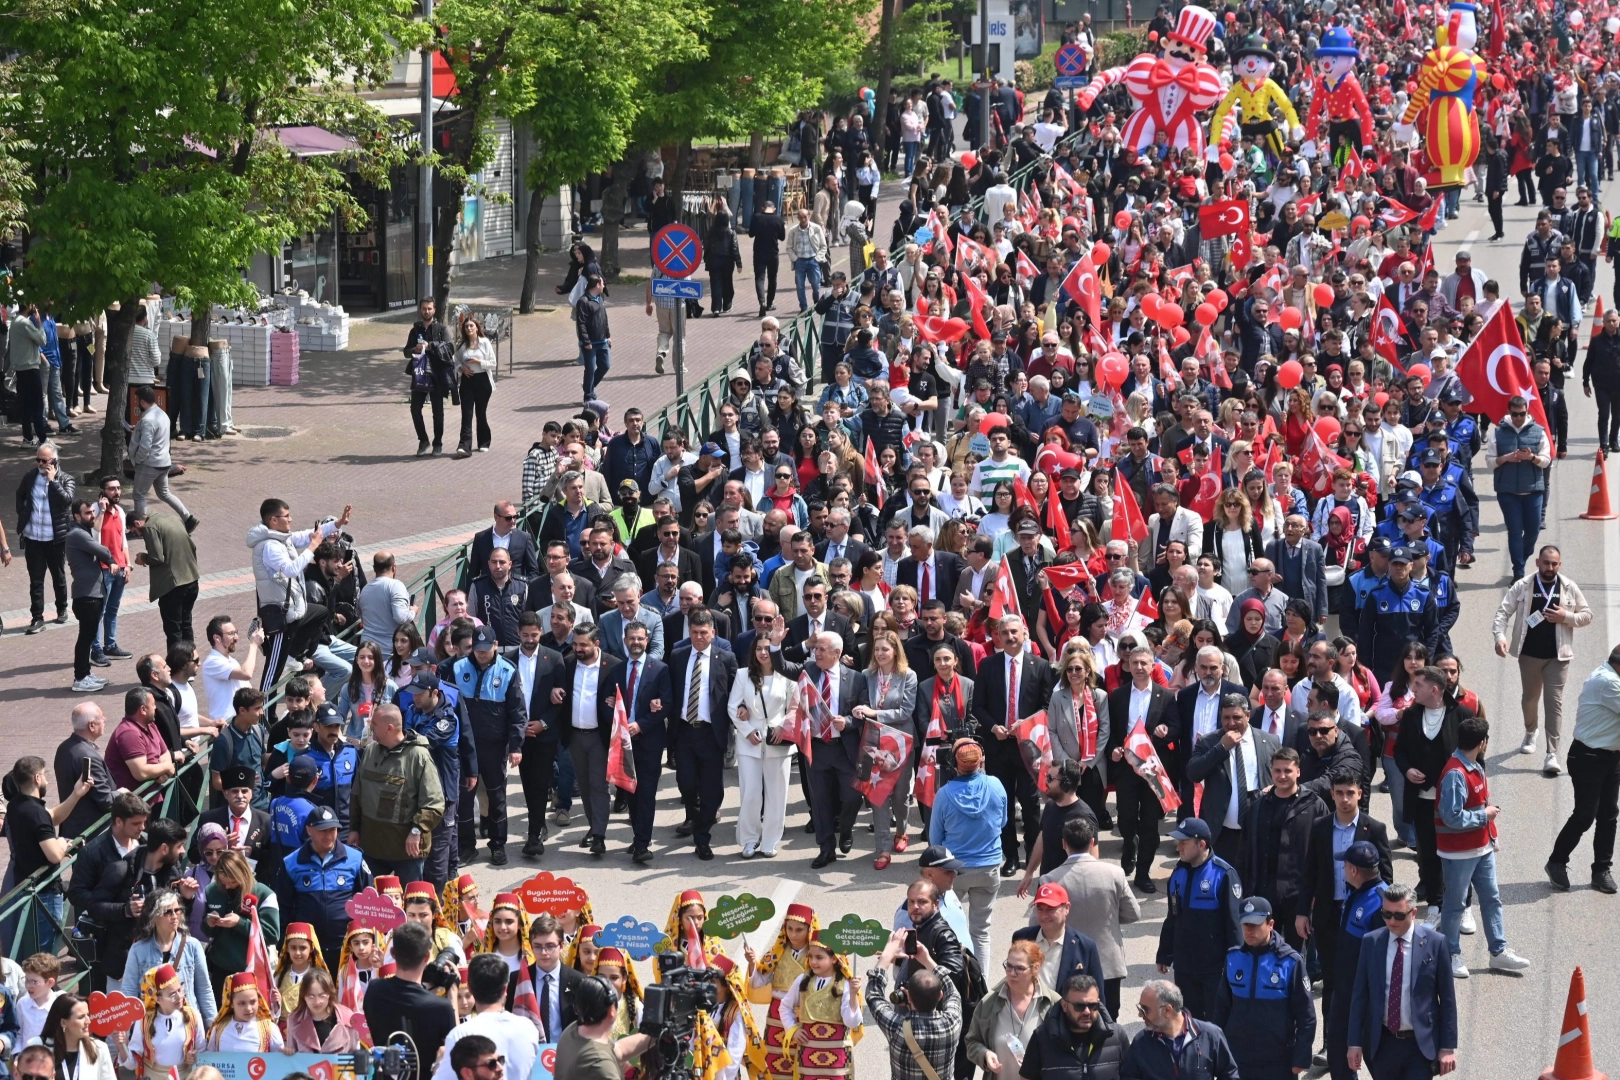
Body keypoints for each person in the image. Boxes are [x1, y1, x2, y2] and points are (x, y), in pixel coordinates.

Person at [1435, 716, 1531, 977]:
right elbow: (1451, 816)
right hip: (1458, 853)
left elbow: (1479, 803)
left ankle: (1498, 952)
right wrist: (1484, 817)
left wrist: (1491, 836)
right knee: (1455, 905)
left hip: (1481, 848)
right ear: (1482, 743)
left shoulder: (1474, 765)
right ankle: (1451, 953)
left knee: (1491, 899)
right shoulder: (1456, 773)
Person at [1492, 544, 1591, 775]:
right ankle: (1530, 730)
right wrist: (1500, 636)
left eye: (1554, 563)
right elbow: (1502, 612)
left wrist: (1565, 616)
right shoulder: (1523, 585)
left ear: (1560, 564)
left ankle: (1552, 753)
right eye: (1546, 563)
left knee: (1553, 703)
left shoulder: (1568, 587)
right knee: (1530, 699)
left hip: (1558, 657)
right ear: (1537, 562)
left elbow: (1587, 615)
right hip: (1529, 655)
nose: (1550, 567)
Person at [1346, 883, 1458, 1079]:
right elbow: (1359, 996)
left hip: (1419, 1045)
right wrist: (1354, 1042)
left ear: (1413, 913)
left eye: (1398, 915)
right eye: (1386, 914)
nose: (1391, 921)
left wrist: (1447, 1046)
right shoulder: (1371, 942)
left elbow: (1447, 1000)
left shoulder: (1435, 944)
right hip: (1383, 1044)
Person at [247, 498, 353, 694]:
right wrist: (312, 547)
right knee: (273, 672)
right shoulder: (270, 546)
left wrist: (336, 524)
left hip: (293, 609)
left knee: (319, 613)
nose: (291, 519)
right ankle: (265, 715)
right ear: (273, 520)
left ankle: (296, 654)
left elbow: (307, 536)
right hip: (280, 613)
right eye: (286, 516)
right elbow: (291, 569)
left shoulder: (281, 537)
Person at [1211, 896, 1315, 1080]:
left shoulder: (1290, 962)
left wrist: (1300, 1056)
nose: (1249, 930)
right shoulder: (1233, 958)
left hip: (1277, 1061)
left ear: (1271, 924)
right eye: (1245, 924)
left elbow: (1306, 1016)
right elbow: (1222, 1007)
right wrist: (1214, 1047)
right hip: (1237, 1057)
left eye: (1255, 924)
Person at [1238, 746, 1328, 952]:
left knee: (1297, 955)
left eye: (1287, 770)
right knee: (1263, 952)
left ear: (1298, 772)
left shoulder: (1315, 805)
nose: (1282, 775)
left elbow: (1324, 855)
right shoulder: (1258, 807)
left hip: (1299, 895)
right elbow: (1244, 852)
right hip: (1263, 893)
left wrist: (1317, 893)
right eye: (1277, 770)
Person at [667, 610, 741, 861]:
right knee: (686, 784)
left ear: (713, 633)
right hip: (684, 732)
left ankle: (702, 837)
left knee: (712, 791)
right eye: (694, 633)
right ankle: (697, 818)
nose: (698, 637)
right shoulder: (678, 656)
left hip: (712, 733)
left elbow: (736, 692)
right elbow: (672, 691)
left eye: (703, 633)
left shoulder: (727, 658)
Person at [1549, 644, 1620, 894]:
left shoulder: (1611, 675)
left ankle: (1601, 870)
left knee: (1609, 815)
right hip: (1588, 757)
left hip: (1611, 757)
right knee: (1585, 815)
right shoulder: (1608, 682)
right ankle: (1556, 861)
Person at [929, 737, 1007, 963]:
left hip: (954, 871)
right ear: (981, 760)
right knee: (981, 933)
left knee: (949, 930)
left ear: (954, 763)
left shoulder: (944, 794)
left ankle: (954, 982)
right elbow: (1002, 822)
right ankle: (980, 988)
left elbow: (935, 839)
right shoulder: (996, 784)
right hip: (989, 868)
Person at [1156, 818, 1242, 1021]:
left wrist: (1236, 965)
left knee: (1216, 1022)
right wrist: (1164, 953)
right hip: (1185, 966)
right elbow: (1172, 916)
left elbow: (1234, 926)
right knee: (1187, 1021)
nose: (1178, 847)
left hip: (1215, 968)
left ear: (1201, 844)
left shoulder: (1223, 874)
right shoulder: (1177, 874)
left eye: (1183, 842)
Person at [4, 756, 92, 952]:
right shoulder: (36, 813)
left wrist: (76, 795)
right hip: (45, 892)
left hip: (25, 886)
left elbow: (52, 817)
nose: (47, 780)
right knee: (45, 951)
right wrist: (62, 842)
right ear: (37, 778)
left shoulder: (17, 805)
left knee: (30, 948)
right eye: (44, 776)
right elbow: (54, 855)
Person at [349, 704, 445, 882]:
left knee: (411, 902)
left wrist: (416, 831)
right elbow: (357, 794)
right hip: (372, 847)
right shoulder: (370, 752)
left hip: (406, 851)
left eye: (374, 724)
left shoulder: (418, 756)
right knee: (371, 903)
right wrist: (354, 829)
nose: (370, 728)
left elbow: (434, 803)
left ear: (389, 728)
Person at [453, 626, 524, 866]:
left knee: (497, 797)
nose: (482, 654)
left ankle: (497, 845)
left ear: (496, 645)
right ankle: (466, 847)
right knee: (464, 798)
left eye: (486, 649)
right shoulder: (457, 668)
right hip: (464, 746)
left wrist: (516, 746)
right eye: (477, 649)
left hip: (494, 746)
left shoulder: (507, 670)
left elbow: (517, 711)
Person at [863, 928, 963, 1080]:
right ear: (940, 996)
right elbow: (953, 991)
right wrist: (927, 959)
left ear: (908, 995)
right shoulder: (952, 1022)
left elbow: (874, 995)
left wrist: (887, 955)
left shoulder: (896, 1027)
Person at [363, 921, 459, 1080]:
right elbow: (455, 1047)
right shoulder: (441, 1007)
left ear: (393, 954)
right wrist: (453, 991)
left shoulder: (374, 990)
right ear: (427, 956)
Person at [729, 633, 796, 859]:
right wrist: (747, 731)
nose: (763, 653)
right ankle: (749, 840)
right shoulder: (742, 675)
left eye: (768, 648)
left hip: (778, 741)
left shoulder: (786, 676)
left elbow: (795, 708)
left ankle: (770, 841)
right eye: (759, 648)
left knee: (777, 794)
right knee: (750, 794)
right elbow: (732, 707)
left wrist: (783, 727)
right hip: (750, 743)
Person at [557, 625, 621, 856]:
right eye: (575, 644)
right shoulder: (568, 663)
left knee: (598, 785)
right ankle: (594, 827)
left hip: (600, 737)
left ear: (597, 644)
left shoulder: (613, 665)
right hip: (574, 736)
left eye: (583, 644)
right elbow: (560, 690)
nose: (578, 649)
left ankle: (600, 836)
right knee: (584, 786)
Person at [432, 954, 539, 1080]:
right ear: (505, 989)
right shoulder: (528, 1027)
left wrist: (438, 1063)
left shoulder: (460, 1034)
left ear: (470, 989)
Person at [118, 888, 216, 1024]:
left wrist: (212, 1029)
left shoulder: (193, 946)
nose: (175, 916)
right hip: (152, 1027)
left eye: (177, 910)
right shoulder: (138, 950)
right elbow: (129, 993)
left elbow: (204, 990)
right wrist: (130, 1030)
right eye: (168, 912)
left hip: (187, 1024)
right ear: (154, 916)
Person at [966, 938, 1057, 1079]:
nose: (1012, 973)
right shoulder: (988, 1003)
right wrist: (984, 1054)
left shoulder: (1053, 1003)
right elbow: (971, 1042)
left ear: (1035, 968)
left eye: (1020, 968)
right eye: (1009, 966)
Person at [1486, 394, 1551, 581]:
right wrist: (1506, 458)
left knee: (1533, 531)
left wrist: (1531, 458)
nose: (1518, 418)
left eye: (1522, 414)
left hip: (1533, 490)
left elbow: (1546, 461)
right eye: (1515, 414)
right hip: (1507, 492)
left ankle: (1521, 558)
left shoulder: (1538, 431)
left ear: (1527, 412)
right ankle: (1519, 572)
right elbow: (1490, 461)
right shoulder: (1498, 432)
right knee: (1515, 531)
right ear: (1510, 412)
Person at [1017, 973, 1130, 1080]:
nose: (1087, 1012)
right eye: (1079, 1006)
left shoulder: (1116, 1036)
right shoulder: (1042, 1037)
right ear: (1065, 1006)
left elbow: (1130, 1075)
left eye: (1092, 1005)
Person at [1122, 979, 1240, 1079]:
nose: (1140, 1015)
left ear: (1167, 1010)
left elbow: (1229, 1074)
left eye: (1145, 1010)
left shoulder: (1210, 1035)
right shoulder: (1141, 1042)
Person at [16, 441, 74, 635]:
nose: (40, 463)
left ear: (54, 460)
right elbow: (20, 495)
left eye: (44, 460)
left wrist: (53, 481)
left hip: (55, 538)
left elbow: (67, 500)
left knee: (58, 576)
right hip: (33, 538)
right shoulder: (30, 477)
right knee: (36, 580)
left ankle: (62, 608)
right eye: (38, 459)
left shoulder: (66, 479)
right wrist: (23, 513)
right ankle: (37, 617)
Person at [553, 975, 655, 1080]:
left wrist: (656, 1033)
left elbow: (618, 1050)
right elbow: (603, 1056)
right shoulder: (601, 1065)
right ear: (612, 1010)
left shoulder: (574, 1029)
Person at [1013, 884, 1105, 995]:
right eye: (1040, 909)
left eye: (1050, 909)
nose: (1044, 915)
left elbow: (1097, 994)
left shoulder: (1085, 947)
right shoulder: (1022, 938)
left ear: (1066, 908)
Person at [127, 387, 197, 529]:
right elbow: (156, 434)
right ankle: (188, 518)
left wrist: (138, 461)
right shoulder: (162, 415)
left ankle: (141, 527)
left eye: (137, 401)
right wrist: (139, 428)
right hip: (164, 462)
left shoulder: (147, 419)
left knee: (139, 495)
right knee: (164, 493)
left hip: (149, 464)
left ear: (142, 401)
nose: (136, 404)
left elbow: (145, 446)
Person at [131, 508, 201, 651]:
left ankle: (177, 667)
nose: (137, 535)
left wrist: (142, 558)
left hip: (174, 586)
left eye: (134, 531)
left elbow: (157, 557)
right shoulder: (172, 519)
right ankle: (191, 661)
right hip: (192, 580)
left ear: (137, 523)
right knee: (186, 624)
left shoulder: (150, 527)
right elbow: (192, 546)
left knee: (173, 630)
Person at [54, 703, 116, 839]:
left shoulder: (63, 748)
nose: (105, 719)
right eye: (101, 717)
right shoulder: (88, 756)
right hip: (92, 833)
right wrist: (121, 794)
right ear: (92, 725)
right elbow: (106, 801)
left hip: (72, 827)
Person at [404, 296, 454, 456]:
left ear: (434, 310)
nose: (427, 311)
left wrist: (430, 346)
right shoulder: (415, 330)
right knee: (415, 409)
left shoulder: (441, 329)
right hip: (419, 374)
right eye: (424, 308)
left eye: (429, 308)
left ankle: (437, 443)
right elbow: (406, 351)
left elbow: (450, 348)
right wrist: (414, 350)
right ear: (420, 310)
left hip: (437, 375)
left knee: (437, 412)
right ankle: (423, 440)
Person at [40, 995, 117, 1080]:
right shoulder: (38, 1047)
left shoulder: (100, 1048)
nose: (88, 1021)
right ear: (63, 1023)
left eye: (88, 1015)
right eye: (81, 1017)